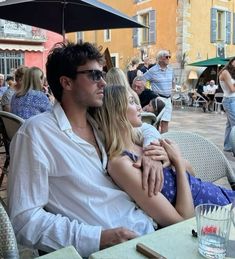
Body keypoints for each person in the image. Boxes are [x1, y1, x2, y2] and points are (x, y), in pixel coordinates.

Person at [8, 42, 168, 257]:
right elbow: (24, 220)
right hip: (111, 249)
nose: (103, 82)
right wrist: (97, 238)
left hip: (150, 228)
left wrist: (151, 152)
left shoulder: (100, 121)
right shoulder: (36, 134)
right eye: (93, 75)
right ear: (66, 82)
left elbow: (146, 128)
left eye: (101, 74)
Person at [94, 85, 235, 226]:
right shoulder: (121, 164)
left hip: (218, 197)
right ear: (116, 113)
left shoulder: (140, 142)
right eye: (131, 102)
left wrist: (173, 160)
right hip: (212, 217)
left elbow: (192, 175)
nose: (139, 107)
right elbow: (181, 221)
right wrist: (178, 162)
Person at [143, 50, 175, 133]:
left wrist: (172, 89)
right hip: (158, 99)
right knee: (156, 122)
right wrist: (148, 93)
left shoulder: (171, 70)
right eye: (167, 57)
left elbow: (173, 81)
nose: (169, 59)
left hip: (168, 100)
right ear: (160, 58)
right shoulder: (152, 71)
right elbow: (142, 80)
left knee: (165, 123)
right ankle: (155, 140)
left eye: (169, 57)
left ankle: (164, 141)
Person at [219, 57, 235, 152]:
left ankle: (228, 146)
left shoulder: (231, 73)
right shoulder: (225, 72)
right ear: (232, 61)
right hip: (229, 101)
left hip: (232, 100)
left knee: (230, 125)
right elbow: (232, 89)